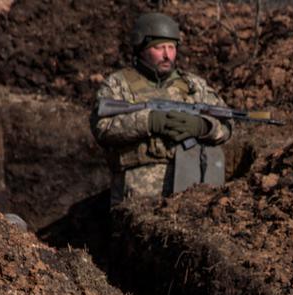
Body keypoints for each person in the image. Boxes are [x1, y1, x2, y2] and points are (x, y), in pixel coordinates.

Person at [90, 12, 231, 204]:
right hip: (138, 195)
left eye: (171, 48)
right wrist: (150, 121)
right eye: (159, 47)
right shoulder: (118, 84)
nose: (167, 55)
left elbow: (227, 125)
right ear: (141, 49)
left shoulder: (193, 86)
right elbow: (102, 129)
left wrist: (203, 127)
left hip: (191, 192)